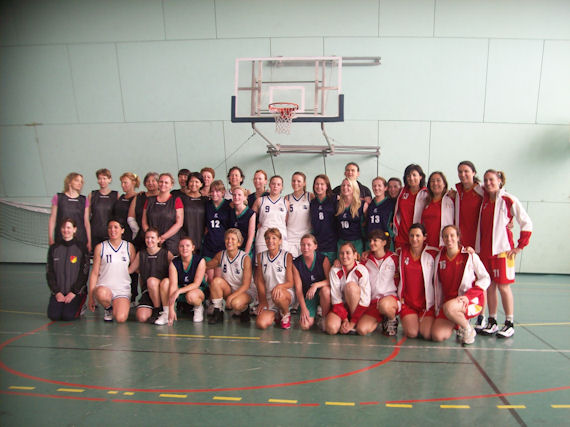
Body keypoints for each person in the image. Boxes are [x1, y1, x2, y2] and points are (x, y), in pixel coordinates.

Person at [476, 170, 532, 338]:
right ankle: (492, 321)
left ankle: (509, 322)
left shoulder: (508, 199)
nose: (488, 183)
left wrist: (519, 246)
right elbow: (472, 184)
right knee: (490, 286)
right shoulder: (484, 198)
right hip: (485, 252)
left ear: (499, 181)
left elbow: (526, 222)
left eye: (491, 179)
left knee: (503, 287)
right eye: (486, 180)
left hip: (503, 253)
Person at [431, 225, 490, 345]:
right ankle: (458, 324)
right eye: (445, 236)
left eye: (452, 235)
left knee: (449, 308)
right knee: (437, 335)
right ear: (442, 238)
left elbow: (485, 278)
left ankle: (468, 329)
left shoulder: (469, 255)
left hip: (469, 301)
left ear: (458, 237)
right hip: (449, 303)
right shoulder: (439, 257)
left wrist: (469, 296)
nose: (449, 239)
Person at [88, 219, 135, 323]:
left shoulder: (129, 247)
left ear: (122, 230)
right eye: (110, 227)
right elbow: (95, 273)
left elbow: (135, 269)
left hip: (122, 290)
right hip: (104, 288)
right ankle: (108, 308)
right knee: (101, 293)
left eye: (116, 227)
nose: (112, 230)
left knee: (120, 318)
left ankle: (118, 305)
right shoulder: (100, 247)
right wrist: (91, 297)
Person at [206, 229, 256, 324]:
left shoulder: (245, 258)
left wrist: (230, 297)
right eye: (227, 239)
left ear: (239, 243)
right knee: (216, 281)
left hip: (246, 291)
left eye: (233, 239)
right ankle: (218, 311)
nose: (229, 241)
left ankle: (244, 309)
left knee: (235, 303)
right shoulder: (221, 255)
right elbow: (206, 266)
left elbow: (246, 285)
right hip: (230, 289)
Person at [398, 223, 438, 339]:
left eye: (418, 236)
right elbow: (386, 256)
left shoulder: (433, 253)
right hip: (408, 303)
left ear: (424, 237)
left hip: (426, 304)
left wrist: (466, 250)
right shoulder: (402, 252)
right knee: (412, 333)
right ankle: (413, 321)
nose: (414, 239)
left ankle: (423, 321)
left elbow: (451, 250)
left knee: (427, 334)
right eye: (412, 236)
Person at [357, 230, 399, 336]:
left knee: (384, 305)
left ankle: (392, 318)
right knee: (362, 330)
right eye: (370, 240)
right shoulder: (366, 260)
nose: (371, 243)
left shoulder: (395, 258)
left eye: (375, 240)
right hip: (373, 302)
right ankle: (381, 319)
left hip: (390, 300)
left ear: (384, 243)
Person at [46, 218, 90, 321]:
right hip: (59, 292)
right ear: (61, 229)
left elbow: (84, 273)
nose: (66, 230)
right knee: (54, 316)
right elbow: (49, 273)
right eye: (64, 227)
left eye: (69, 227)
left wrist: (74, 292)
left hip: (75, 292)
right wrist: (57, 292)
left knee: (68, 316)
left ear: (74, 230)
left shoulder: (81, 248)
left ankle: (81, 305)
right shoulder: (54, 248)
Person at [128, 228, 173, 325]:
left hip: (163, 292)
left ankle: (158, 310)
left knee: (152, 281)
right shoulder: (141, 254)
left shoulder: (166, 254)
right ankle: (155, 309)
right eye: (147, 238)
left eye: (152, 237)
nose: (149, 240)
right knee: (142, 317)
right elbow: (130, 270)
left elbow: (176, 271)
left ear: (158, 239)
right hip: (148, 291)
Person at [325, 242, 370, 335]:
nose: (344, 256)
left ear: (355, 255)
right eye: (342, 253)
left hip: (357, 308)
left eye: (348, 253)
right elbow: (336, 299)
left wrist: (351, 323)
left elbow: (365, 300)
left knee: (350, 287)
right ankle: (344, 323)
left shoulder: (362, 270)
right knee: (331, 328)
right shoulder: (334, 270)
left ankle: (354, 323)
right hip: (342, 308)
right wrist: (345, 320)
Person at [255, 228, 294, 330]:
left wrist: (279, 286)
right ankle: (277, 315)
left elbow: (290, 282)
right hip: (269, 296)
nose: (270, 241)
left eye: (274, 238)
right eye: (267, 238)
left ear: (280, 241)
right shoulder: (260, 256)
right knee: (261, 324)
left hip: (285, 294)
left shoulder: (287, 256)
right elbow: (260, 281)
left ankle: (285, 313)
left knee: (278, 295)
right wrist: (263, 301)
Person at [292, 234, 331, 331]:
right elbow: (298, 288)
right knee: (304, 326)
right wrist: (303, 308)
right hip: (308, 296)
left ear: (315, 246)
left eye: (309, 245)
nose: (305, 248)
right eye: (303, 245)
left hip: (322, 293)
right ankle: (312, 314)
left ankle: (324, 317)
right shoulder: (296, 263)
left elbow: (330, 280)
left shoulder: (323, 259)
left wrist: (316, 285)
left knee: (326, 291)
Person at [167, 236, 208, 324]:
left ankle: (198, 307)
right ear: (178, 248)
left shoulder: (200, 261)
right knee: (166, 284)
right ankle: (165, 311)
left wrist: (179, 291)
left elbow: (196, 284)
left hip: (197, 291)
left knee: (191, 295)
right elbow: (173, 285)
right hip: (181, 290)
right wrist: (170, 308)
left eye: (187, 245)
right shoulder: (174, 263)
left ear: (193, 247)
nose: (184, 248)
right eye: (182, 246)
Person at [114, 172, 141, 302]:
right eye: (122, 183)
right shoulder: (120, 197)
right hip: (118, 237)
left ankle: (133, 295)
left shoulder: (138, 197)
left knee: (132, 266)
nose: (123, 185)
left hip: (131, 238)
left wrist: (134, 236)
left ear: (133, 183)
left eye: (126, 182)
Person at [142, 173, 183, 256]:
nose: (163, 184)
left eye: (166, 182)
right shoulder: (149, 200)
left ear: (171, 185)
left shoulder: (176, 200)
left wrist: (162, 237)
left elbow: (179, 223)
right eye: (161, 182)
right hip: (152, 242)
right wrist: (152, 237)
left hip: (170, 242)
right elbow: (144, 222)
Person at [48, 172, 91, 251]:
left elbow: (86, 222)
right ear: (69, 182)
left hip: (80, 237)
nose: (80, 183)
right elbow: (53, 219)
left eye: (81, 182)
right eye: (77, 180)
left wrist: (89, 241)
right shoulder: (58, 197)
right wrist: (50, 237)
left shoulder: (84, 200)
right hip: (61, 237)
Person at [202, 179, 231, 283]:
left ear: (223, 192)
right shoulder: (207, 205)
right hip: (209, 244)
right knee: (209, 277)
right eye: (212, 191)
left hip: (222, 244)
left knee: (218, 278)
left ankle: (216, 298)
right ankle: (209, 297)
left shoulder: (229, 205)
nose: (214, 194)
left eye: (218, 191)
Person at [393, 164, 428, 250]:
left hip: (417, 237)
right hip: (402, 236)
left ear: (420, 176)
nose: (411, 178)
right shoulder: (402, 191)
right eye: (408, 176)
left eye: (414, 175)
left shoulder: (427, 193)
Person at [253, 175, 289, 254]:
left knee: (282, 264)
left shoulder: (286, 203)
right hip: (263, 238)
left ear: (282, 187)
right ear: (269, 185)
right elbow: (251, 219)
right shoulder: (260, 201)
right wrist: (256, 224)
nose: (275, 186)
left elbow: (286, 222)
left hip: (281, 237)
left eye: (278, 184)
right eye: (273, 184)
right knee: (261, 264)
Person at [421, 171, 454, 248]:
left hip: (443, 245)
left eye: (438, 180)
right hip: (427, 245)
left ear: (444, 184)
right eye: (432, 181)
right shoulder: (425, 201)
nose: (435, 183)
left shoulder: (452, 200)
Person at [310, 174, 338, 264]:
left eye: (322, 184)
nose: (319, 186)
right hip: (318, 244)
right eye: (317, 184)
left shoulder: (334, 200)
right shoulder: (313, 203)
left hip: (331, 244)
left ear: (327, 186)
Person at [128, 172, 159, 251]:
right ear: (145, 183)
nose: (150, 183)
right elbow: (130, 218)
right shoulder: (139, 197)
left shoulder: (163, 197)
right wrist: (137, 231)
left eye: (153, 181)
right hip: (141, 236)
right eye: (148, 181)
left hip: (160, 237)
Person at [335, 178, 368, 254]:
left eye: (348, 185)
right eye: (343, 185)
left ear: (354, 188)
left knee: (356, 265)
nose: (345, 187)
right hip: (341, 242)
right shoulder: (337, 204)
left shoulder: (362, 205)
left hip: (356, 242)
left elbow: (366, 224)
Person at [285, 172, 313, 258]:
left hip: (305, 237)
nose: (295, 183)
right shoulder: (287, 198)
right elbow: (284, 219)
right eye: (293, 181)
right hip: (290, 238)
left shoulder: (310, 196)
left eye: (299, 181)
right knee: (290, 265)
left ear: (304, 183)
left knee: (304, 266)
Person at [89, 168, 119, 249]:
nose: (102, 181)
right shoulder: (92, 195)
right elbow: (87, 216)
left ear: (110, 180)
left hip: (110, 233)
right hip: (94, 232)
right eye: (99, 178)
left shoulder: (116, 195)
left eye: (104, 178)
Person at [180, 172, 207, 254]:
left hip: (202, 236)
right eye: (191, 181)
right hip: (185, 235)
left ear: (201, 184)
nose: (193, 184)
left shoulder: (206, 200)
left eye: (197, 182)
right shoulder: (181, 198)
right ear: (188, 183)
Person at [366, 177, 396, 248]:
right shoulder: (369, 204)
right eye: (374, 186)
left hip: (385, 240)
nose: (376, 188)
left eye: (379, 185)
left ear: (385, 188)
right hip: (371, 240)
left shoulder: (391, 203)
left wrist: (391, 234)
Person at [229, 186, 256, 255]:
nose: (236, 197)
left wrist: (245, 255)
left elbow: (251, 237)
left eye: (239, 195)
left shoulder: (251, 213)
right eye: (234, 195)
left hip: (245, 248)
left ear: (245, 197)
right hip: (232, 248)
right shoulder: (230, 212)